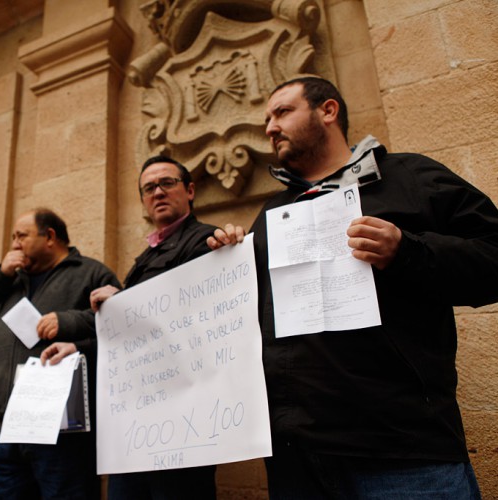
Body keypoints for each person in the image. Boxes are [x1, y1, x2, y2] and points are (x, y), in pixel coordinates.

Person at [208, 76, 498, 498]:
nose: (270, 128)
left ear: (328, 111)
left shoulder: (410, 177)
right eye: (267, 119)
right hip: (297, 459)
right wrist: (229, 258)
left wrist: (407, 251)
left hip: (401, 453)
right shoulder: (272, 213)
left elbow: (492, 257)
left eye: (283, 112)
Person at [44, 155, 219, 500]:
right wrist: (79, 348)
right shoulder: (145, 258)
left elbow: (187, 320)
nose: (158, 192)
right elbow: (132, 341)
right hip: (136, 422)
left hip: (183, 421)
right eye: (149, 188)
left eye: (167, 183)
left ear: (190, 190)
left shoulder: (207, 242)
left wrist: (122, 302)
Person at [0, 208, 120, 499]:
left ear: (50, 236)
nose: (14, 244)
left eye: (21, 236)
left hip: (60, 429)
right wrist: (0, 274)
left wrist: (69, 320)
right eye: (13, 237)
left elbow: (119, 325)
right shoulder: (9, 278)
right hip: (4, 424)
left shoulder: (90, 272)